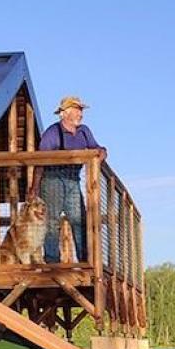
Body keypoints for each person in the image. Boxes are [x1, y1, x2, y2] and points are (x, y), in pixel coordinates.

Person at [30, 95, 107, 262]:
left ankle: (86, 260)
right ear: (65, 113)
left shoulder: (84, 131)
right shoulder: (52, 132)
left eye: (81, 110)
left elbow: (97, 148)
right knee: (51, 222)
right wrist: (34, 187)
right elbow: (40, 160)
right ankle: (52, 262)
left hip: (73, 180)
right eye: (77, 110)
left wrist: (102, 152)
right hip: (52, 179)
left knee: (79, 220)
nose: (81, 114)